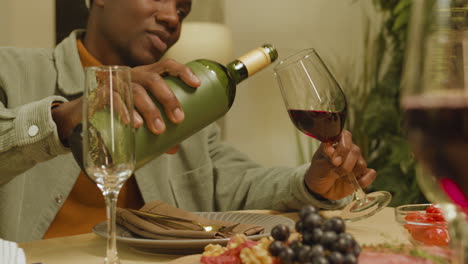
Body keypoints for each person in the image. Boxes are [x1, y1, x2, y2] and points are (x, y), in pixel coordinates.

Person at [0, 0, 376, 242]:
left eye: (182, 10)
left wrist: (311, 184)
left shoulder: (182, 104)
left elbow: (240, 186)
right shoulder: (11, 72)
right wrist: (65, 118)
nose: (171, 18)